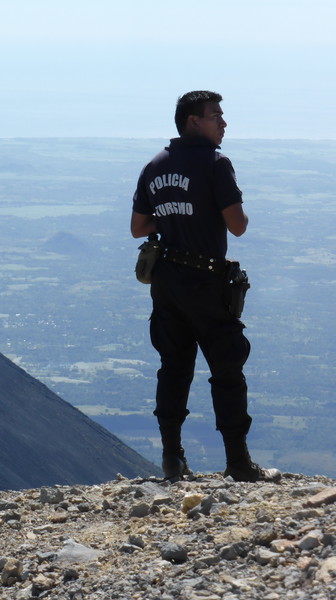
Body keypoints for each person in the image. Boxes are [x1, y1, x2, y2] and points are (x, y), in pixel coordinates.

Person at [130, 90, 280, 483]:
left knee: (173, 368)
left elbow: (138, 228)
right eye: (216, 115)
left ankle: (172, 459)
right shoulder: (217, 163)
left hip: (166, 282)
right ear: (193, 121)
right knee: (227, 368)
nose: (224, 123)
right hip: (206, 280)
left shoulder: (154, 165)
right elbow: (238, 225)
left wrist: (175, 218)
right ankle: (239, 462)